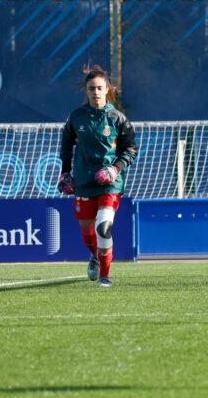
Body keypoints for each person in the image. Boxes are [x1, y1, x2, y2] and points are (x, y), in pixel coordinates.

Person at [58, 65, 138, 287]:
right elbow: (66, 147)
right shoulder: (76, 117)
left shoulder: (118, 118)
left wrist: (115, 169)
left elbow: (131, 149)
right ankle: (95, 256)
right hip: (84, 182)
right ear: (86, 90)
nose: (95, 92)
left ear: (107, 89)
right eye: (91, 88)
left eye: (99, 88)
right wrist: (65, 173)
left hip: (110, 184)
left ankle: (105, 275)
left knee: (103, 226)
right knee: (87, 232)